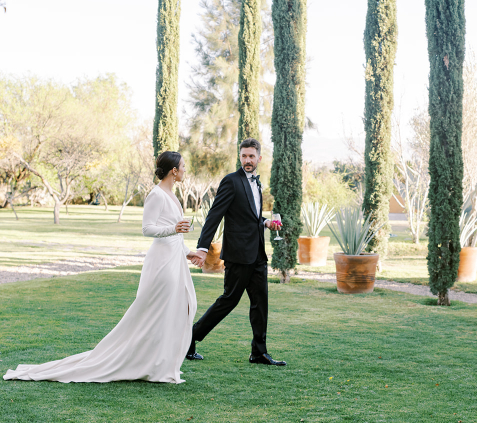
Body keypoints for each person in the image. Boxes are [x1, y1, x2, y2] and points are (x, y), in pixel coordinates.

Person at [4, 151, 205, 384]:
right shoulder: (156, 195)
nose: (185, 170)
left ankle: (160, 362)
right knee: (155, 313)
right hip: (161, 264)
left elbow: (174, 236)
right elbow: (147, 228)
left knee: (182, 307)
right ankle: (148, 363)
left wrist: (188, 252)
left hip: (175, 259)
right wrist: (174, 229)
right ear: (173, 170)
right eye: (182, 166)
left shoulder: (173, 195)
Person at [186, 138, 286, 366]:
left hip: (258, 254)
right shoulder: (231, 181)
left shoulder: (257, 184)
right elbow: (215, 215)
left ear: (259, 158)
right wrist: (202, 248)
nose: (247, 160)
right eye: (244, 156)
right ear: (239, 157)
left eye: (251, 156)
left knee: (261, 303)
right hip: (238, 255)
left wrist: (265, 223)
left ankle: (259, 353)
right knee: (228, 301)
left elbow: (249, 216)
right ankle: (190, 337)